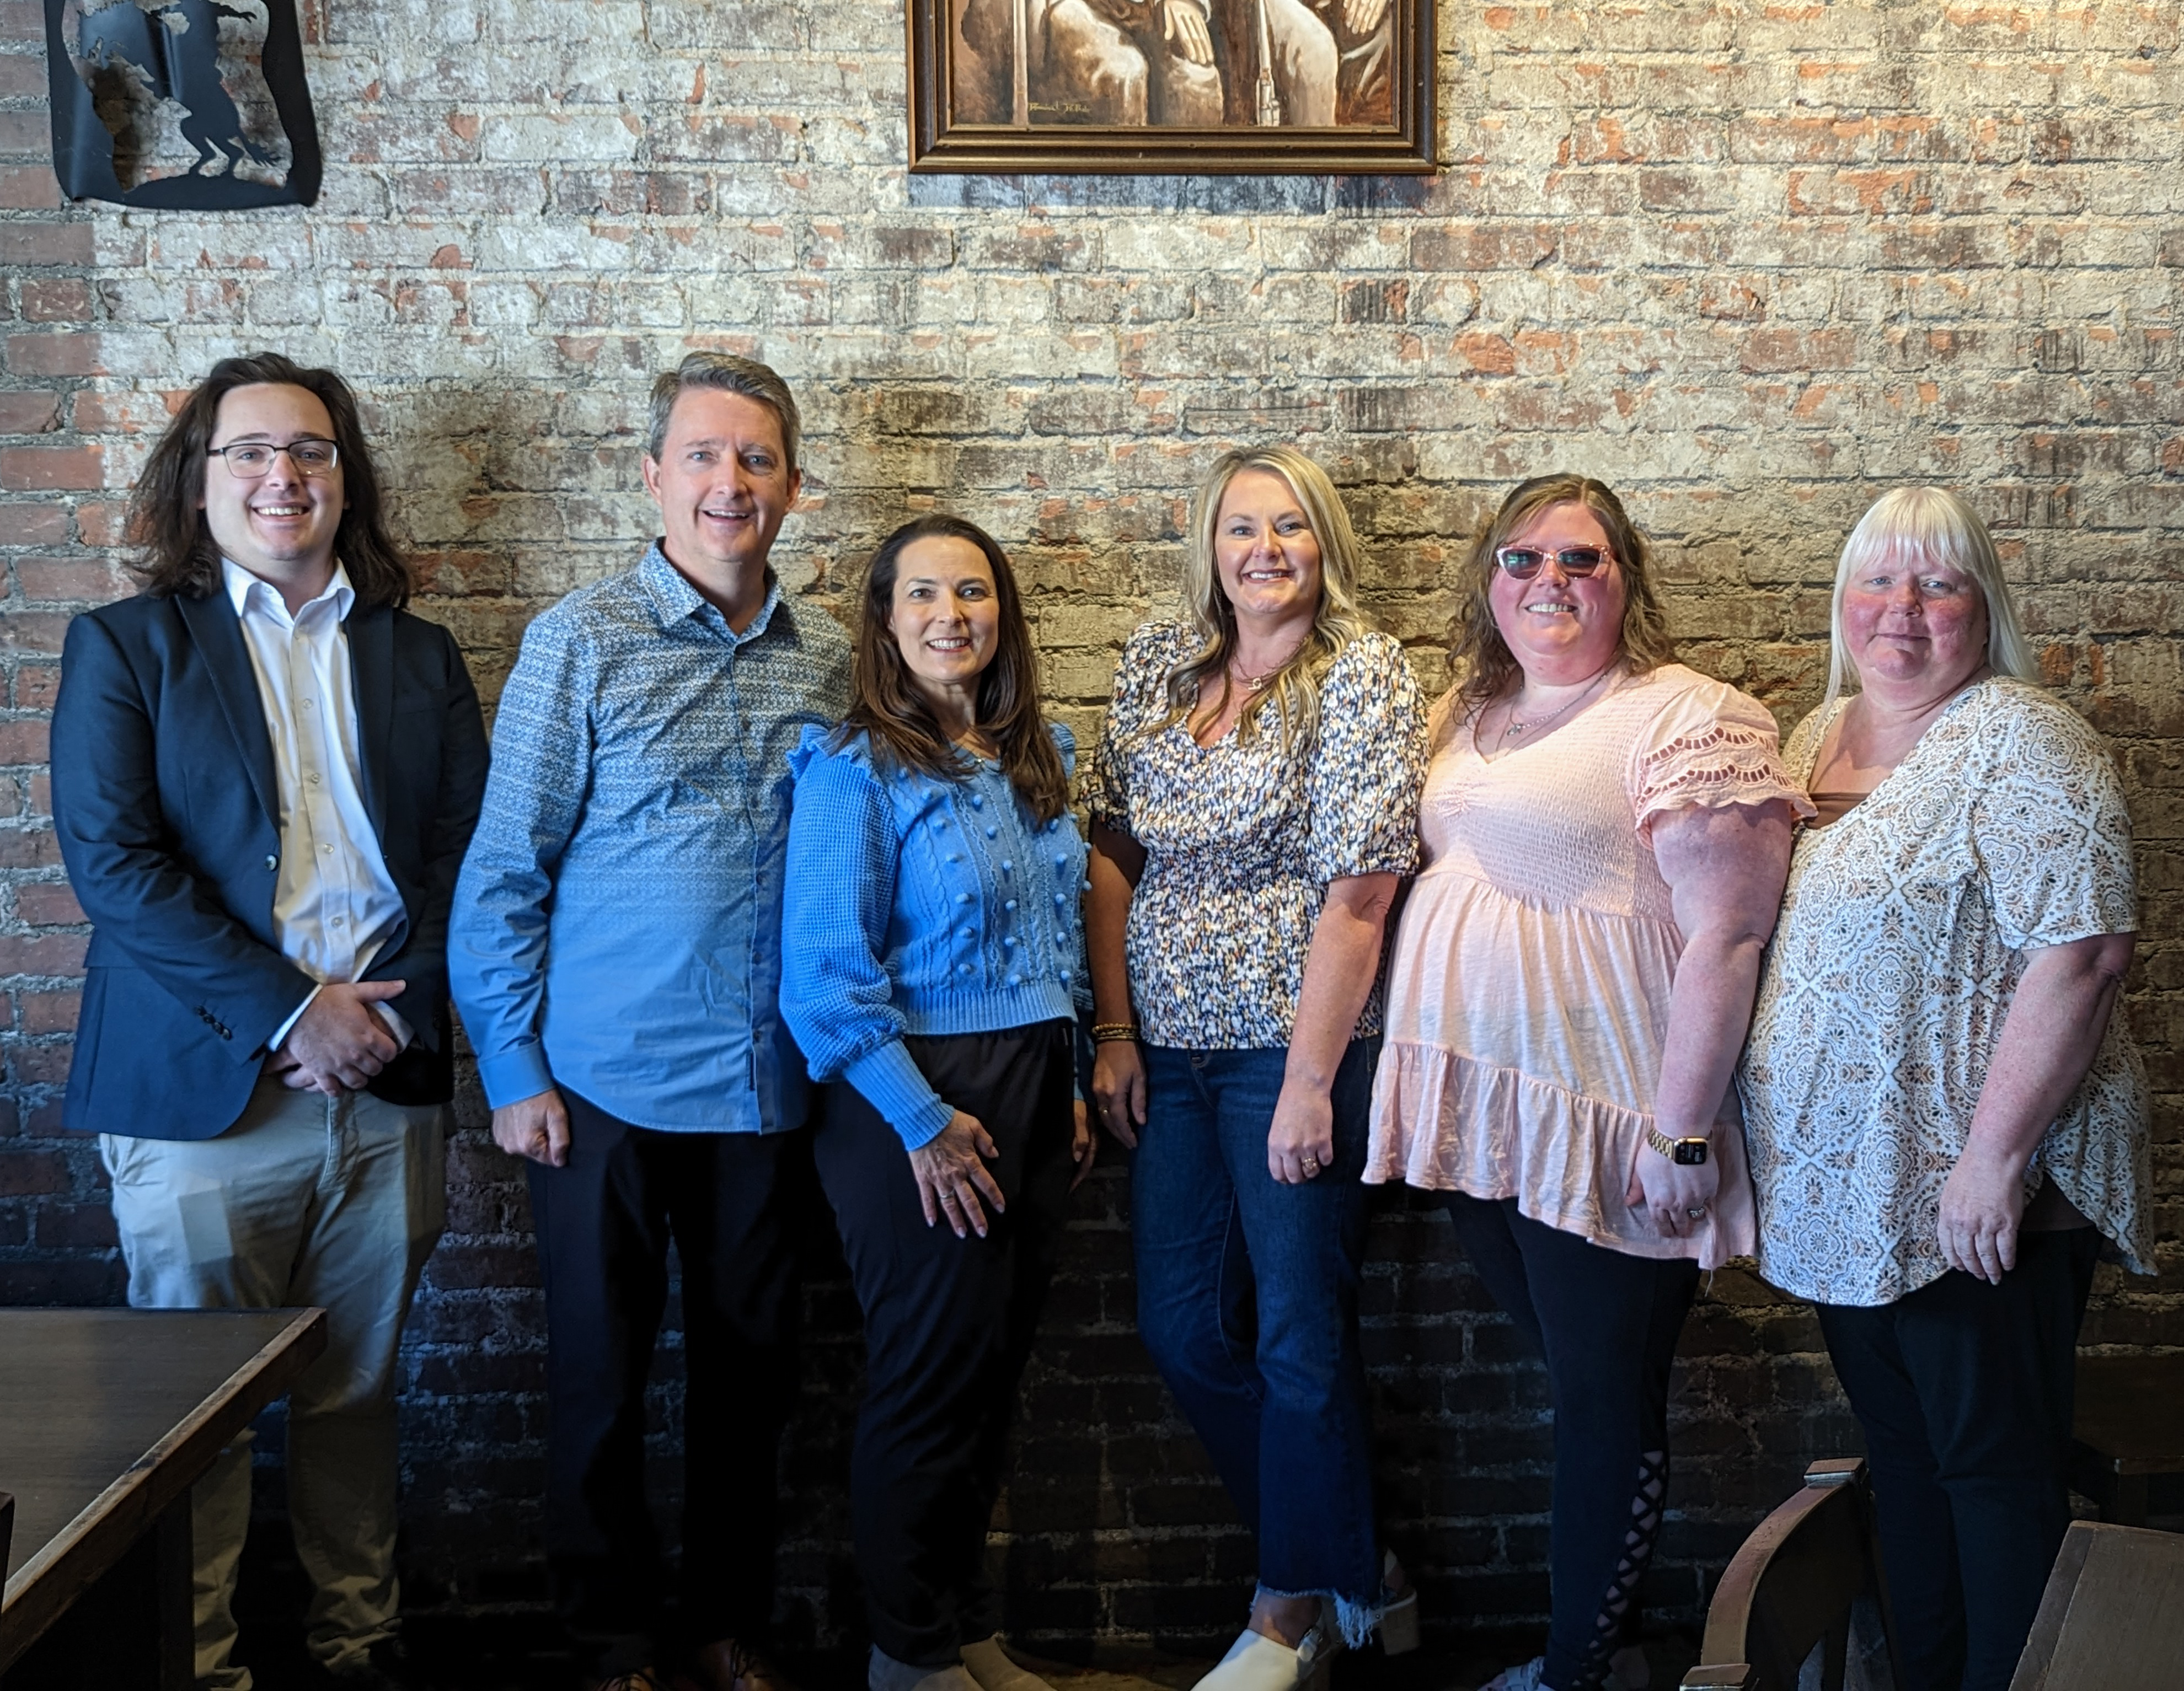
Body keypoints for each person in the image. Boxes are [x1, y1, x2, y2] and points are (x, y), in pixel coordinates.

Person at [50, 352, 489, 1691]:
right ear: (200, 478)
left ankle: (359, 1648)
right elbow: (114, 865)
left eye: (307, 450)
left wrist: (378, 1022)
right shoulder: (130, 645)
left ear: (343, 477)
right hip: (204, 1095)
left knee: (357, 1398)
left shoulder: (416, 655)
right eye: (247, 452)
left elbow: (464, 857)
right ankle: (205, 1670)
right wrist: (295, 1012)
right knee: (193, 1425)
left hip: (382, 1085)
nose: (279, 474)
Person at [1364, 474, 1810, 1691]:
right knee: (1576, 1383)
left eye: (1582, 560)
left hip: (1612, 1120)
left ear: (1627, 579)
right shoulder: (1470, 709)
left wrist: (1680, 1135)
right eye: (1522, 560)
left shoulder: (1680, 711)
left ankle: (1572, 1672)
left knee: (1604, 1403)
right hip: (1485, 1118)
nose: (1548, 581)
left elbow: (1727, 935)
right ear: (1487, 582)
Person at [449, 353, 852, 1691]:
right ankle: (613, 1641)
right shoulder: (580, 640)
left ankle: (726, 1627)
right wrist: (512, 1068)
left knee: (752, 1387)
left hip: (765, 1093)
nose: (727, 483)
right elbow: (504, 873)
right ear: (654, 475)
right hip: (602, 1090)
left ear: (793, 487)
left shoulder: (835, 662)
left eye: (754, 460)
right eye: (701, 455)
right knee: (600, 1387)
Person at [1738, 488, 2152, 1691]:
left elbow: (2081, 953)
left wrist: (1992, 1161)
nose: (1902, 612)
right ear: (1842, 601)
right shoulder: (1815, 738)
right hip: (1848, 1202)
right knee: (1907, 1464)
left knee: (1993, 1472)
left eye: (1939, 585)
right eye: (1878, 581)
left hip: (1978, 1197)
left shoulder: (2022, 735)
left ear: (1985, 609)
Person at [1085, 445, 1425, 1691]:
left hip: (1299, 1051)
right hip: (1166, 1051)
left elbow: (1363, 891)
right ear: (1210, 544)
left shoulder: (1362, 674)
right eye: (1242, 527)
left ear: (1324, 542)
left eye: (1291, 526)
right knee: (1182, 1329)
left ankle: (1287, 1611)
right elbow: (1110, 851)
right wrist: (1113, 1029)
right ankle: (1359, 1561)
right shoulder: (1159, 663)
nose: (1265, 549)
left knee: (1297, 1335)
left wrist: (1305, 1081)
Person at [781, 514, 1097, 1691]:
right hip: (910, 1101)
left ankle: (963, 1627)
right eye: (923, 595)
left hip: (1027, 1089)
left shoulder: (1034, 758)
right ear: (884, 619)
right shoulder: (854, 769)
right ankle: (905, 1656)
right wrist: (920, 1119)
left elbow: (1054, 944)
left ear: (1002, 615)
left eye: (973, 593)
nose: (951, 616)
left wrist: (1065, 1083)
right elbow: (822, 978)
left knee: (988, 1378)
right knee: (925, 1380)